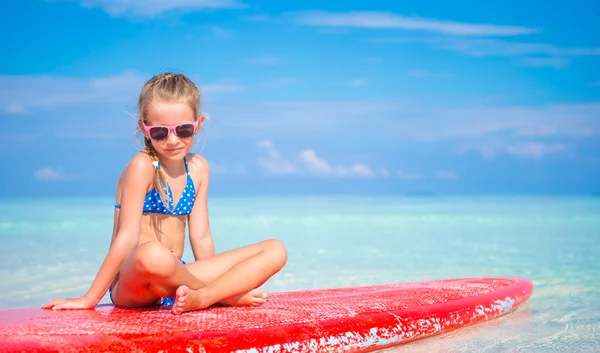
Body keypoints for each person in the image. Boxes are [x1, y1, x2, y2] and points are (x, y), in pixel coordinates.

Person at [42, 73, 288, 315]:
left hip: (176, 278)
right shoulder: (142, 165)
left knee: (275, 250)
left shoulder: (198, 168)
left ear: (198, 124)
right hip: (134, 283)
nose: (172, 140)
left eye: (183, 130)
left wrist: (218, 277)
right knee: (153, 253)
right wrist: (89, 298)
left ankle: (208, 295)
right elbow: (126, 238)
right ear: (145, 129)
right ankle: (221, 296)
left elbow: (201, 237)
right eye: (160, 132)